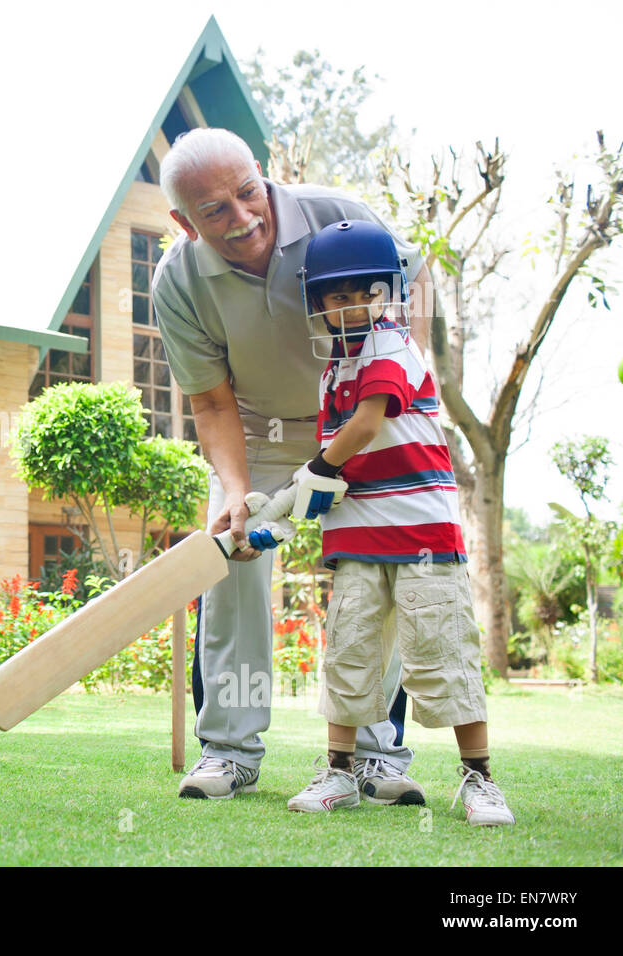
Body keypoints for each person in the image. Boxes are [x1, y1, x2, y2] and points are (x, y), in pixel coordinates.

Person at [152, 128, 433, 802]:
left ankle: (375, 754)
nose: (243, 218)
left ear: (263, 172)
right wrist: (237, 492)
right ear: (181, 222)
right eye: (214, 211)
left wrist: (405, 381)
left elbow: (417, 278)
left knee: (378, 568)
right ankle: (228, 751)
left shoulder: (342, 215)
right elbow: (211, 403)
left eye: (247, 193)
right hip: (262, 433)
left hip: (366, 420)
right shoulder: (180, 281)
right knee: (233, 556)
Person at [284, 219, 514, 826]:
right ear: (318, 304)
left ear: (388, 293)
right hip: (357, 536)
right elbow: (340, 470)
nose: (357, 306)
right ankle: (339, 773)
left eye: (369, 291)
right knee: (350, 652)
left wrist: (312, 469)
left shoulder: (389, 344)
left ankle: (479, 780)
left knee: (442, 653)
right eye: (340, 296)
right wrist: (286, 511)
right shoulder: (333, 369)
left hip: (421, 536)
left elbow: (366, 426)